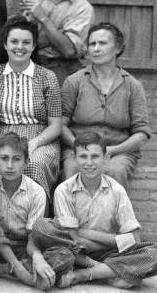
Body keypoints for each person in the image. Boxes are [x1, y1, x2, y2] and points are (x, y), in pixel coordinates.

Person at [31, 132, 157, 289]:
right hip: (74, 252)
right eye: (83, 156)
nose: (89, 163)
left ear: (106, 158)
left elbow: (134, 239)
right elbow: (73, 239)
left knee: (153, 253)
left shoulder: (117, 190)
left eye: (95, 156)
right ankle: (108, 271)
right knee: (43, 228)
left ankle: (83, 274)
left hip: (108, 252)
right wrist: (116, 240)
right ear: (74, 157)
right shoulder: (64, 190)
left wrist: (87, 233)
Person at [61, 23, 151, 188]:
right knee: (72, 168)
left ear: (117, 48)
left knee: (115, 171)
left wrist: (113, 150)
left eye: (102, 43)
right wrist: (79, 147)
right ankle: (70, 207)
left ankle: (112, 207)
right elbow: (61, 125)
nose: (96, 49)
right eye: (92, 44)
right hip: (79, 147)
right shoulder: (74, 81)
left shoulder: (133, 85)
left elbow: (141, 133)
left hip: (117, 151)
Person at [0, 16, 62, 194]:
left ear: (33, 46)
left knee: (33, 163)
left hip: (41, 137)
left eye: (26, 42)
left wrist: (35, 143)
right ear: (5, 44)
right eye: (14, 41)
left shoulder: (47, 77)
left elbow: (56, 126)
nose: (20, 47)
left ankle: (37, 211)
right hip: (2, 135)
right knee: (3, 162)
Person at [0, 132, 54, 289]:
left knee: (61, 256)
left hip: (24, 247)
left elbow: (33, 239)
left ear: (26, 162)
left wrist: (38, 258)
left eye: (16, 159)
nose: (10, 165)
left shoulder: (36, 192)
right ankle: (17, 269)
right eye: (4, 158)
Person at [20, 0, 94, 83]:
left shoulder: (82, 8)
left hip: (63, 69)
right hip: (32, 64)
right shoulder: (37, 1)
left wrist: (43, 19)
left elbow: (69, 50)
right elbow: (24, 43)